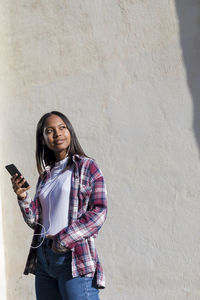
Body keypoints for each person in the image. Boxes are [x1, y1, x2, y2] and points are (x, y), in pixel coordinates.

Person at [11, 111, 107, 300]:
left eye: (62, 127)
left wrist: (63, 239)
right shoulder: (45, 177)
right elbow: (35, 221)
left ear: (70, 131)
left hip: (74, 256)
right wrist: (22, 196)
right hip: (43, 257)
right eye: (50, 130)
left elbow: (99, 212)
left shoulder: (87, 167)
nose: (58, 134)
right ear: (43, 139)